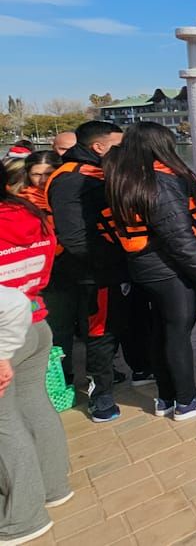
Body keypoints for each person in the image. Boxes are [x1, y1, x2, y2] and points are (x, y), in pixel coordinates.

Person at [103, 122, 196, 420]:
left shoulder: (124, 179)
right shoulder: (160, 182)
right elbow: (178, 235)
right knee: (177, 336)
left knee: (161, 332)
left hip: (145, 268)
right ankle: (187, 401)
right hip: (170, 271)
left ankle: (167, 397)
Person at [0, 163, 71, 544]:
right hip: (36, 319)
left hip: (4, 333)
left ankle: (22, 518)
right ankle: (54, 486)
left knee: (4, 424)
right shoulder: (33, 216)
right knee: (35, 404)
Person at [43, 121, 130, 423]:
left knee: (105, 329)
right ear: (99, 147)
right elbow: (74, 237)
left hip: (100, 267)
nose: (123, 151)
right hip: (92, 272)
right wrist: (110, 262)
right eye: (118, 146)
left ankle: (106, 376)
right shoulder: (72, 179)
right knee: (98, 331)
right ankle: (100, 396)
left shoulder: (91, 172)